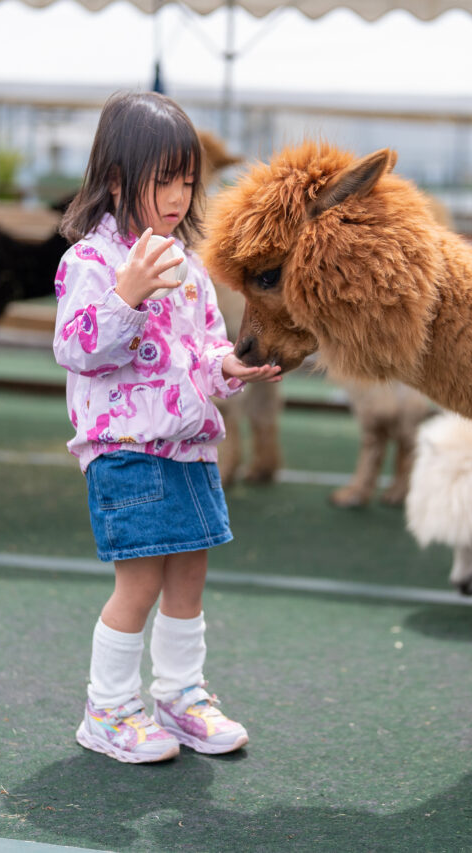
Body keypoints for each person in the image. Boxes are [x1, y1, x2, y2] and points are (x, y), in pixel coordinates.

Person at [53, 92, 281, 763]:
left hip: (190, 446)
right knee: (140, 582)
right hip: (125, 450)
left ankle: (180, 698)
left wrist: (232, 364)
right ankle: (109, 709)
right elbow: (76, 346)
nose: (180, 195)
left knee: (189, 575)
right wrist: (125, 295)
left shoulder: (189, 266)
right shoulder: (91, 263)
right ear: (119, 179)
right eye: (165, 180)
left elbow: (201, 355)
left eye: (188, 180)